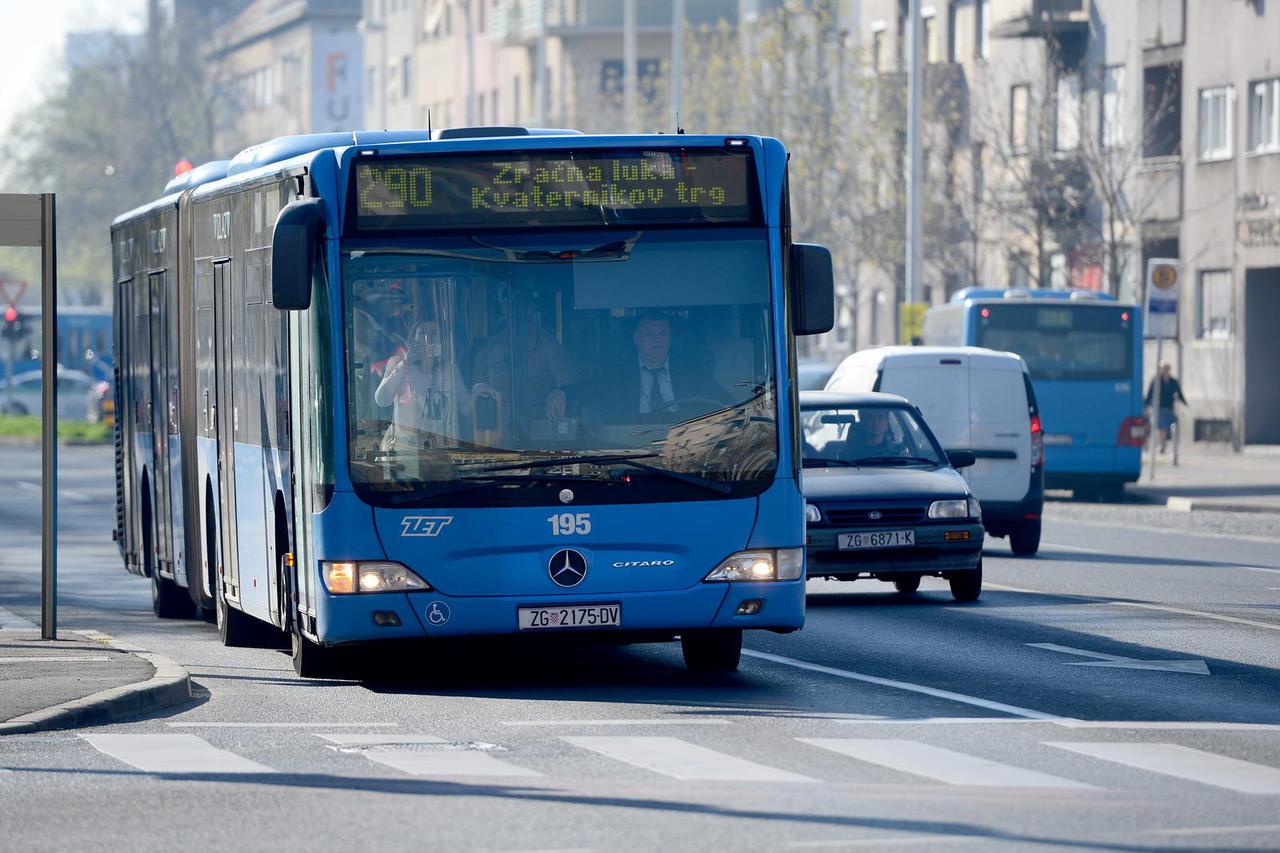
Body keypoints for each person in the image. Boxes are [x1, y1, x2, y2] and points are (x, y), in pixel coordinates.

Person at [548, 312, 730, 422]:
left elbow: (722, 400)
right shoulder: (618, 373)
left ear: (670, 339)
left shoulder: (691, 372)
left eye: (662, 334)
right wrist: (562, 393)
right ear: (636, 339)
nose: (657, 339)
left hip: (679, 445)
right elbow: (591, 388)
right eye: (650, 333)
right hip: (630, 446)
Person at [374, 319, 471, 467]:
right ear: (414, 337)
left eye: (434, 333)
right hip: (402, 456)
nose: (428, 338)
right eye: (423, 333)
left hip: (438, 456)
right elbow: (382, 399)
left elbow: (467, 408)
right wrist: (405, 363)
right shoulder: (398, 363)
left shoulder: (450, 370)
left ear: (442, 340)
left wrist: (480, 390)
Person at [1145, 362, 1187, 453]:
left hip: (1169, 407)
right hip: (1158, 407)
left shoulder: (1173, 381)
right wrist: (1146, 405)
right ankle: (1162, 445)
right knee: (1161, 427)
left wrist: (1184, 403)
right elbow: (1150, 393)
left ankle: (1163, 443)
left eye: (1167, 368)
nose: (1165, 370)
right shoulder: (1156, 380)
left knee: (1168, 426)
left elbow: (1179, 393)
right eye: (1164, 368)